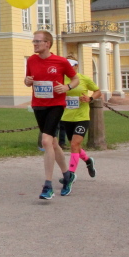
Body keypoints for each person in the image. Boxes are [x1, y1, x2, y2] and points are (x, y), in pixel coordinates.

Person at [24, 30, 80, 200]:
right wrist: (27, 81)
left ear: (47, 43)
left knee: (46, 141)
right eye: (34, 41)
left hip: (56, 105)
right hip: (38, 105)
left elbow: (75, 79)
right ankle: (68, 175)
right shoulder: (31, 60)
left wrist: (67, 87)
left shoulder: (61, 61)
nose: (34, 44)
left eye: (37, 41)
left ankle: (48, 186)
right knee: (53, 143)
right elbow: (27, 80)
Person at [60, 56, 99, 178]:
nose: (69, 68)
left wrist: (90, 98)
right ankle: (88, 161)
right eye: (67, 65)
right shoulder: (61, 79)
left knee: (74, 145)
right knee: (75, 145)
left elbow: (98, 91)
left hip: (82, 117)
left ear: (77, 66)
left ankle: (70, 174)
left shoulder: (83, 79)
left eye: (72, 65)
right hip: (67, 117)